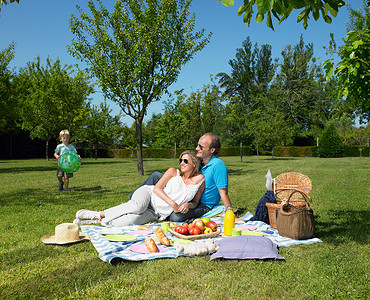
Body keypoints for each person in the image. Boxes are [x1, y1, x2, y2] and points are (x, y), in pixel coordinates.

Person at [73, 150, 205, 226]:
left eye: (185, 161)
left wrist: (188, 205)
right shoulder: (173, 172)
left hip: (157, 213)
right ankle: (97, 213)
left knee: (126, 222)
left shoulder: (200, 181)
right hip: (148, 195)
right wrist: (173, 203)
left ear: (194, 163)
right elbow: (157, 189)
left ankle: (95, 221)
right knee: (138, 207)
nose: (182, 163)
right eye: (181, 160)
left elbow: (195, 202)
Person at [129, 132, 232, 222]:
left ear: (212, 150)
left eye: (201, 147)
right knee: (156, 176)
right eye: (198, 145)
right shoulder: (201, 162)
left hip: (203, 204)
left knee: (175, 217)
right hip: (189, 192)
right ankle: (133, 201)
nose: (197, 149)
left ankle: (153, 208)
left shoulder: (218, 166)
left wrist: (230, 214)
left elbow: (223, 193)